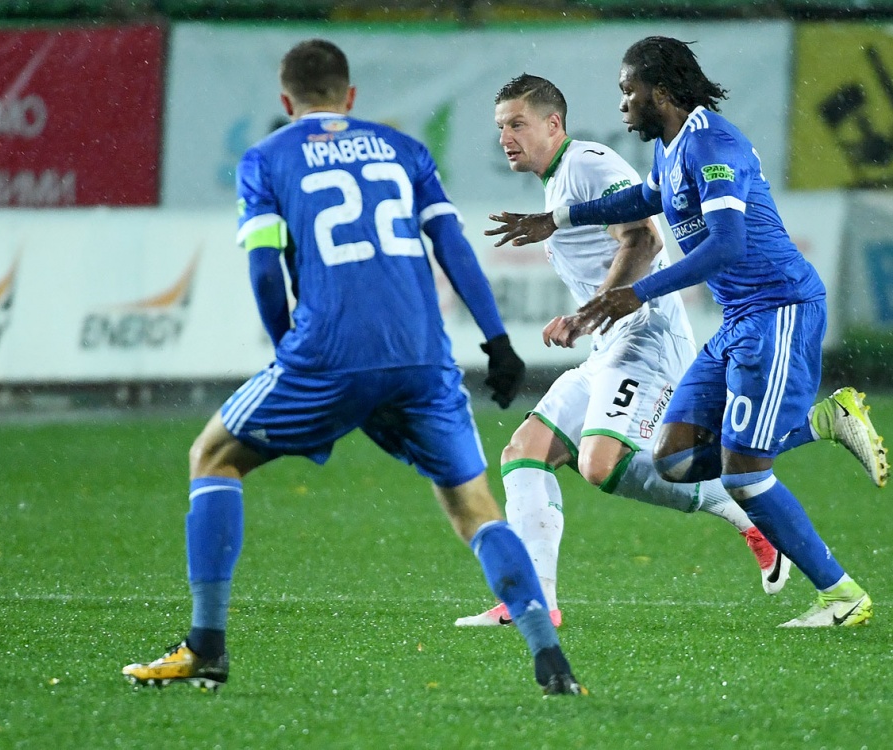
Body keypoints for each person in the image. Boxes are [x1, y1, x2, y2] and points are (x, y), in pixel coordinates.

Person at [122, 39, 585, 696]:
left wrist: (287, 347)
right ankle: (551, 659)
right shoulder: (403, 149)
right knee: (474, 507)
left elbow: (264, 267)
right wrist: (497, 342)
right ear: (351, 96)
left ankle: (206, 646)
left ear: (287, 103)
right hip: (421, 357)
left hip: (328, 352)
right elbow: (451, 244)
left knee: (213, 456)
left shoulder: (267, 159)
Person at [487, 36, 888, 628]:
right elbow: (644, 198)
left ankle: (842, 595)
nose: (622, 104)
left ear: (660, 92)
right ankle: (818, 425)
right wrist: (558, 218)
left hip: (778, 308)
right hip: (738, 320)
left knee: (743, 471)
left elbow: (727, 245)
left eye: (629, 91)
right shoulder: (671, 148)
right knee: (675, 461)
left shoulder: (712, 145)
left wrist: (632, 293)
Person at [457, 73, 790, 628]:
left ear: (553, 124)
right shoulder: (559, 181)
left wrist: (589, 312)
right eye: (500, 128)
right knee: (524, 454)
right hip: (610, 344)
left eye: (517, 124)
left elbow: (644, 236)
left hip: (646, 336)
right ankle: (534, 602)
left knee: (598, 464)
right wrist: (593, 319)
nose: (505, 138)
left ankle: (742, 508)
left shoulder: (587, 165)